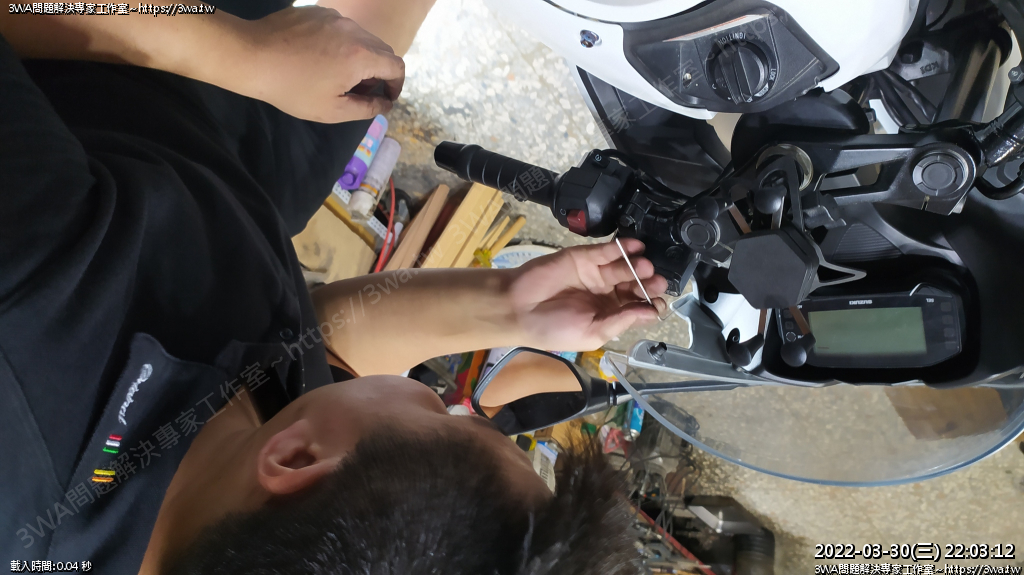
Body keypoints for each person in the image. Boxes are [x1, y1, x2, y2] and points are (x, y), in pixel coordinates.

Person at [0, 1, 667, 573]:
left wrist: (243, 54)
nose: (445, 399)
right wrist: (505, 305)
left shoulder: (32, 304)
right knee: (371, 66)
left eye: (446, 416)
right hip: (226, 220)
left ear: (295, 457)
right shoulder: (270, 511)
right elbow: (321, 348)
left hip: (99, 68)